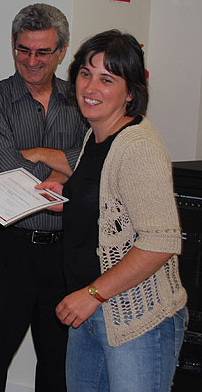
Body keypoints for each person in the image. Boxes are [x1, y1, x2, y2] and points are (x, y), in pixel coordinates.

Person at [38, 29, 187, 391]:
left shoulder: (138, 147)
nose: (90, 88)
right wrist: (67, 198)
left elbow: (160, 240)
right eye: (85, 74)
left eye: (107, 79)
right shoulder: (97, 135)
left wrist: (92, 295)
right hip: (91, 310)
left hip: (137, 318)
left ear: (131, 92)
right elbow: (109, 211)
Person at [0, 3, 88, 391]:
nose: (31, 61)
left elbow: (98, 165)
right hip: (7, 247)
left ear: (62, 51)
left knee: (60, 364)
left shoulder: (83, 102)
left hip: (66, 252)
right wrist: (67, 171)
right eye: (23, 50)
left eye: (42, 52)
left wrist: (39, 154)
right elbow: (9, 175)